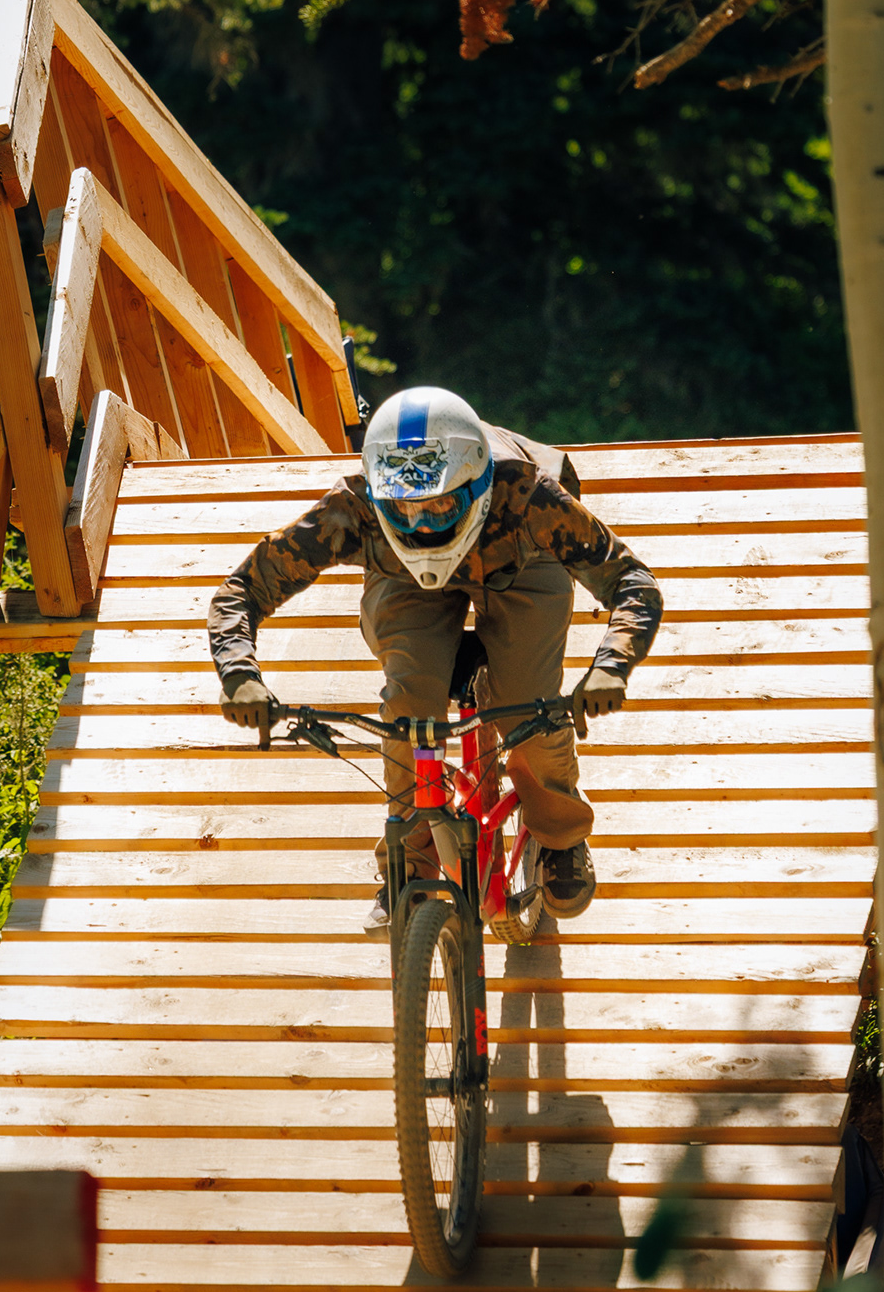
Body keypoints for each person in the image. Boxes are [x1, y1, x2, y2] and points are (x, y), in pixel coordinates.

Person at [208, 386, 662, 934]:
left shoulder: (529, 497)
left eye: (441, 505)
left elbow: (632, 581)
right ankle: (408, 866)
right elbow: (244, 588)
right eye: (403, 508)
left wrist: (611, 666)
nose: (422, 524)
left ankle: (561, 834)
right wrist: (240, 675)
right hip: (404, 579)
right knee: (410, 706)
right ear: (379, 495)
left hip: (521, 561)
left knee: (529, 706)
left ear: (475, 486)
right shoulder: (353, 508)